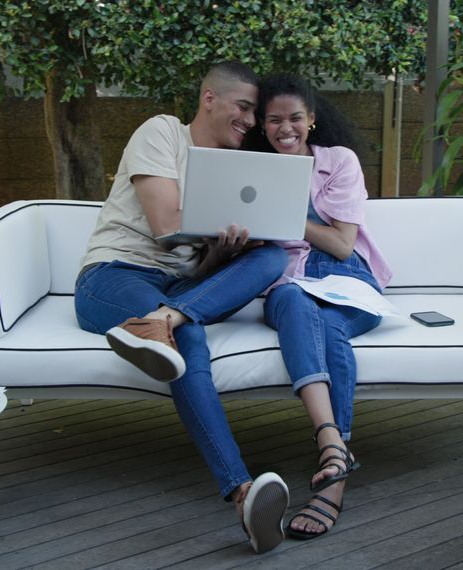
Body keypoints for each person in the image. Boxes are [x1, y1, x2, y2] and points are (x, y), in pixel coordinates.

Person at [73, 61, 290, 554]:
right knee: (190, 337)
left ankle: (159, 322)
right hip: (115, 276)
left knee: (271, 255)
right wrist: (209, 239)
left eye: (255, 113)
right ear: (209, 99)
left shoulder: (232, 171)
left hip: (175, 291)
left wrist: (227, 251)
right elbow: (165, 224)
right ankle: (242, 491)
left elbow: (197, 266)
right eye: (244, 108)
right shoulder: (162, 132)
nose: (252, 122)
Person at [243, 73, 392, 539]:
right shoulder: (252, 171)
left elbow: (343, 245)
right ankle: (334, 450)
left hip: (346, 278)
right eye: (273, 120)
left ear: (311, 120)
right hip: (288, 282)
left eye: (294, 118)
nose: (284, 128)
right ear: (262, 126)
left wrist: (282, 207)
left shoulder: (338, 162)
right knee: (291, 295)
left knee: (330, 323)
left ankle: (332, 479)